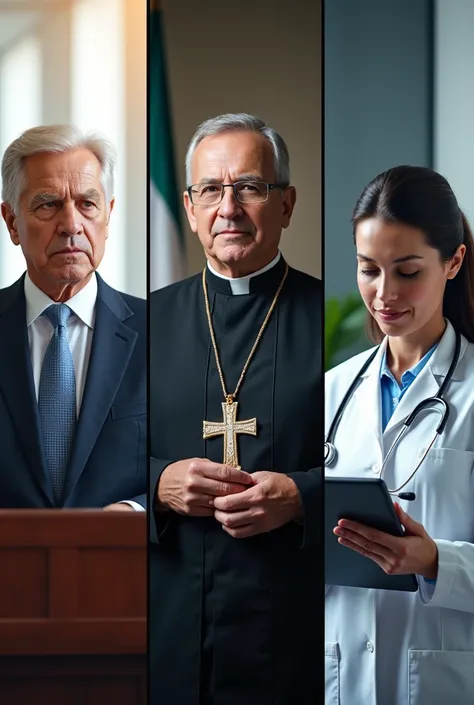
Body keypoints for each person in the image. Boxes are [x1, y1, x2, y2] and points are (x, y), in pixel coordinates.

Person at [149, 113, 322, 704]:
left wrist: (302, 497)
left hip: (297, 636)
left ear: (287, 203)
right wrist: (159, 482)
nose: (229, 207)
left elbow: (387, 472)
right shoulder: (141, 324)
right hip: (174, 634)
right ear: (191, 207)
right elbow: (96, 460)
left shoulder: (338, 321)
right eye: (209, 190)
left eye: (249, 187)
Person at [325, 165, 474, 705]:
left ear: (453, 261)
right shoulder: (331, 391)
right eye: (369, 269)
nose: (383, 293)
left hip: (441, 679)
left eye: (407, 271)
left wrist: (435, 561)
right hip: (340, 675)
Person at [0, 125, 146, 510]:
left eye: (87, 204)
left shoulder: (162, 333)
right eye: (48, 204)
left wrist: (136, 512)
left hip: (123, 563)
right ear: (12, 221)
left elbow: (184, 463)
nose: (71, 225)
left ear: (108, 215)